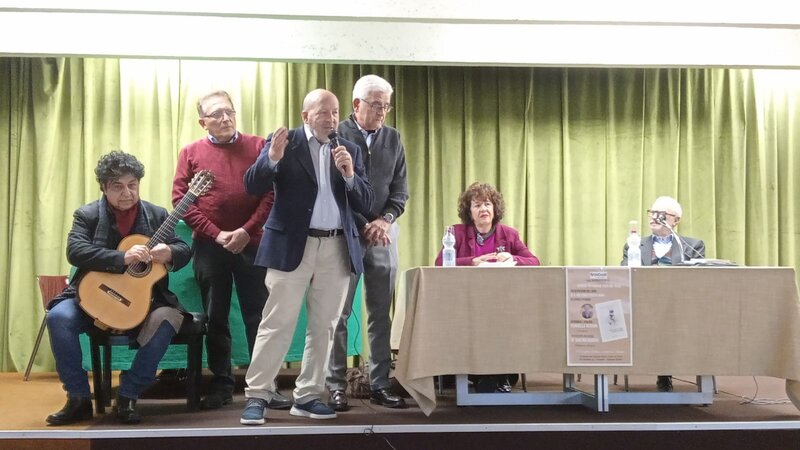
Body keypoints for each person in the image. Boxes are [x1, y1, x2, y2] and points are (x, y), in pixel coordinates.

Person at [239, 89, 374, 425]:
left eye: (335, 112)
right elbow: (252, 185)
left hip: (336, 246)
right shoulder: (285, 142)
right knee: (277, 323)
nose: (331, 119)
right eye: (323, 112)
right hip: (291, 246)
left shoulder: (349, 149)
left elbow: (366, 202)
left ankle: (308, 395)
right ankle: (258, 395)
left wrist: (349, 175)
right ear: (305, 116)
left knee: (324, 325)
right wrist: (272, 158)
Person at [45, 151, 192, 425]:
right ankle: (77, 397)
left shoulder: (157, 215)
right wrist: (122, 257)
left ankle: (129, 395)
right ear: (104, 187)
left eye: (132, 185)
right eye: (118, 186)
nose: (127, 193)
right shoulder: (87, 215)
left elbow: (183, 248)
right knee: (58, 317)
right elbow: (75, 250)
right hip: (90, 296)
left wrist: (170, 252)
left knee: (169, 318)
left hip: (145, 301)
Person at [172, 90, 291, 410]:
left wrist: (246, 230)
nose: (225, 118)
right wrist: (218, 234)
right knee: (216, 317)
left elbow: (271, 193)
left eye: (229, 111)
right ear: (203, 122)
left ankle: (265, 385)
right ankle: (222, 384)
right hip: (209, 247)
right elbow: (180, 200)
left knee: (260, 316)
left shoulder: (258, 146)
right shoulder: (190, 152)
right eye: (216, 114)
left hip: (253, 245)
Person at [326, 75, 410, 411]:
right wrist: (364, 223)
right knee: (339, 313)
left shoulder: (393, 138)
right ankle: (335, 385)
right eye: (376, 105)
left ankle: (380, 383)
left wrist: (384, 220)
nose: (382, 112)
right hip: (346, 233)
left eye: (386, 106)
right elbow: (335, 188)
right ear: (356, 104)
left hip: (384, 234)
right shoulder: (337, 135)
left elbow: (400, 190)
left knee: (379, 312)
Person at [435, 182, 540, 392]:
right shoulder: (457, 233)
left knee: (501, 322)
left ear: (495, 208)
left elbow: (535, 261)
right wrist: (471, 261)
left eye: (487, 204)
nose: (483, 209)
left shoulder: (509, 234)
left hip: (502, 304)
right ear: (469, 212)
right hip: (466, 302)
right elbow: (440, 263)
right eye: (477, 205)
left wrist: (513, 258)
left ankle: (495, 373)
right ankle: (488, 374)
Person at [620, 195, 705, 392]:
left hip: (678, 307)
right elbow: (624, 274)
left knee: (670, 318)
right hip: (641, 306)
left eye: (660, 214)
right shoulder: (634, 245)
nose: (653, 217)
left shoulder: (692, 246)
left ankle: (665, 372)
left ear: (676, 220)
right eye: (651, 212)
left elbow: (698, 280)